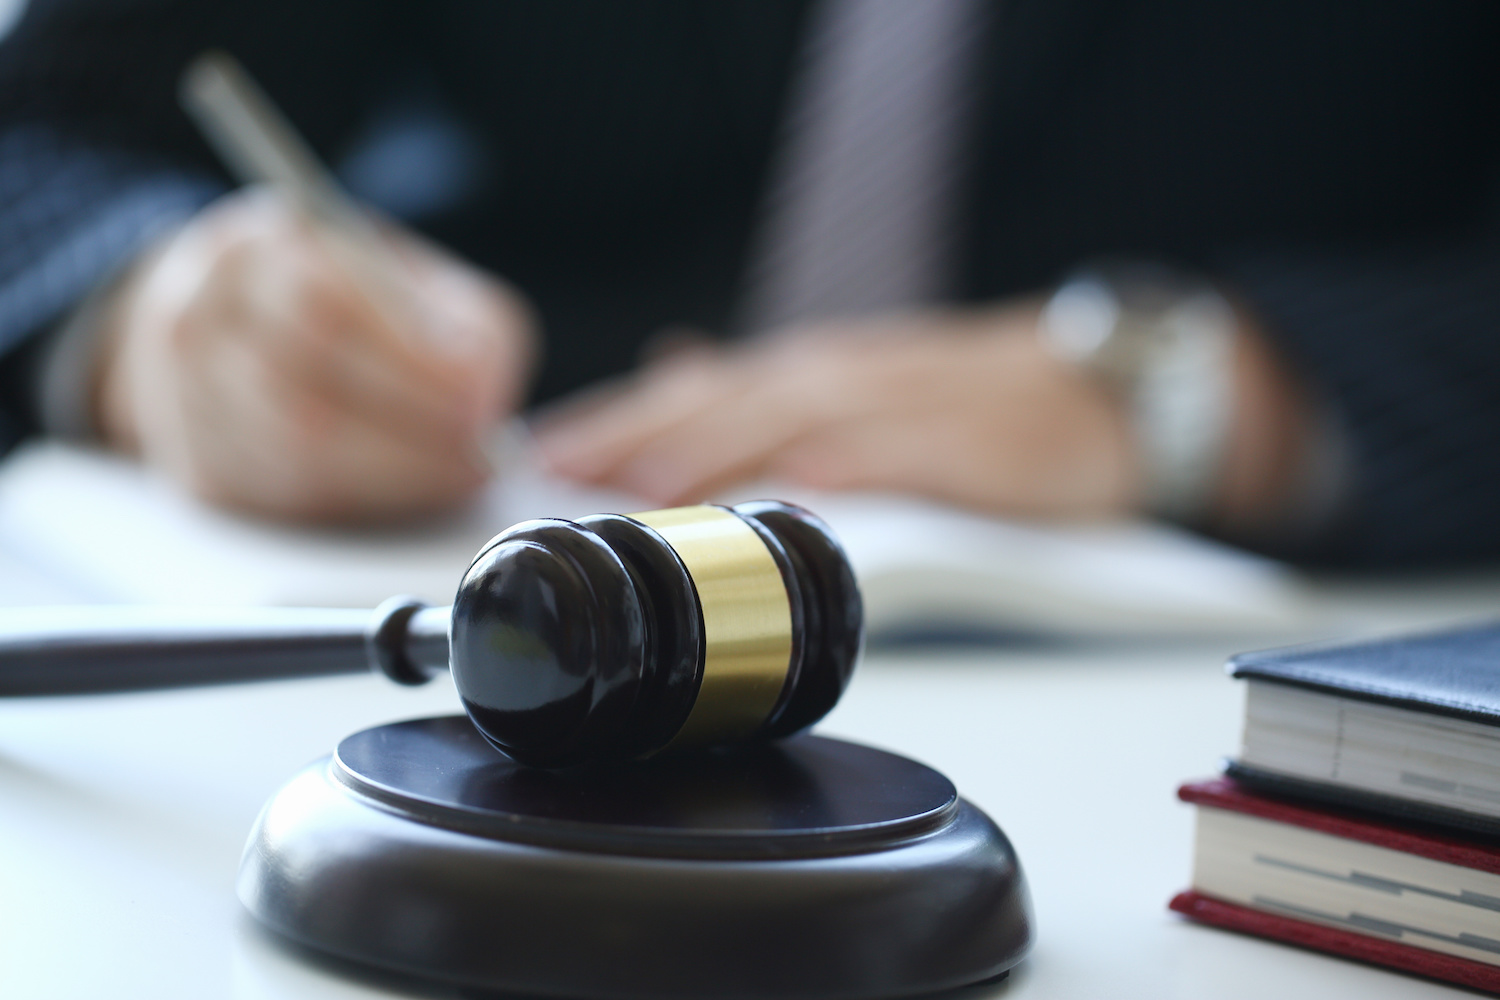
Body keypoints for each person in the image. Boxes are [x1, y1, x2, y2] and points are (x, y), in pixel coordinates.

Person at [0, 0, 1496, 567]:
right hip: (484, 564)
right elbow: (41, 138)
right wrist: (146, 307)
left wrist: (1226, 390)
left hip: (1223, 637)